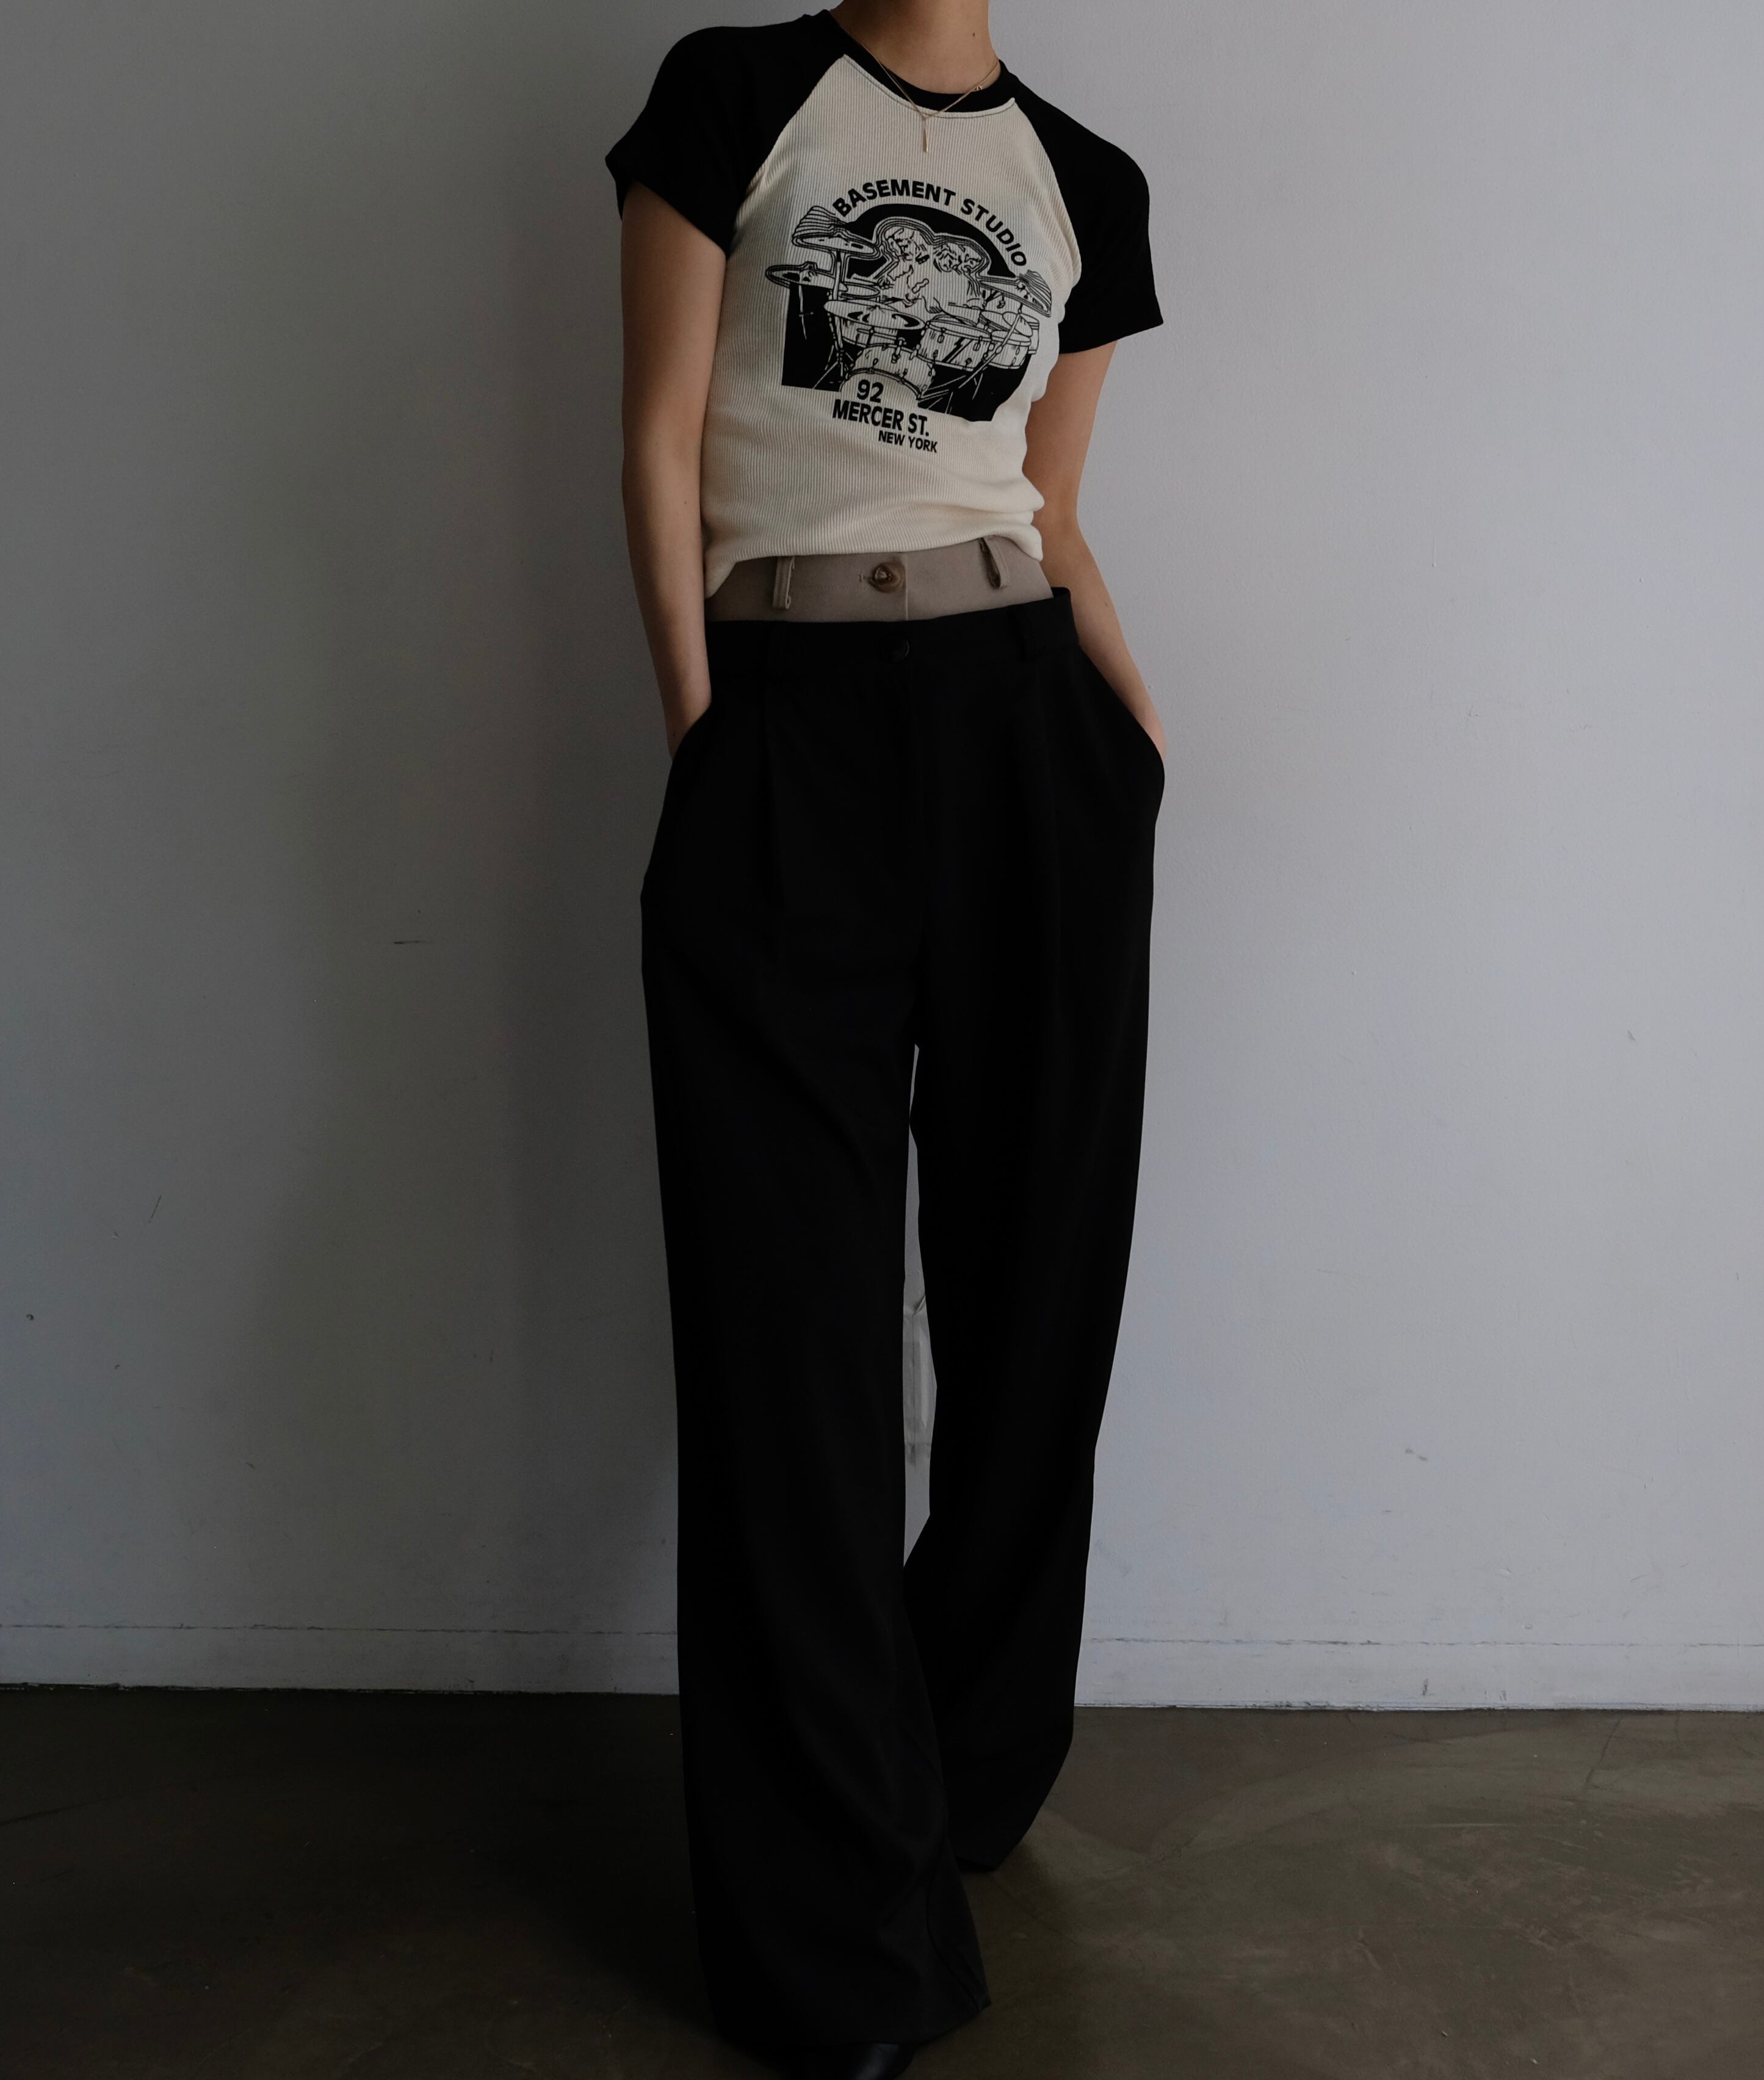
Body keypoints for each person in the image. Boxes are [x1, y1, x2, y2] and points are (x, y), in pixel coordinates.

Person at [607, 5, 1164, 2075]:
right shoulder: (735, 96)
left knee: (1038, 1305)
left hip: (1032, 737)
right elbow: (663, 439)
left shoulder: (1086, 182)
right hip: (788, 734)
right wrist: (707, 745)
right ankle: (838, 1936)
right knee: (792, 1349)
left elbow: (1055, 507)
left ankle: (967, 1756)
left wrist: (1134, 745)